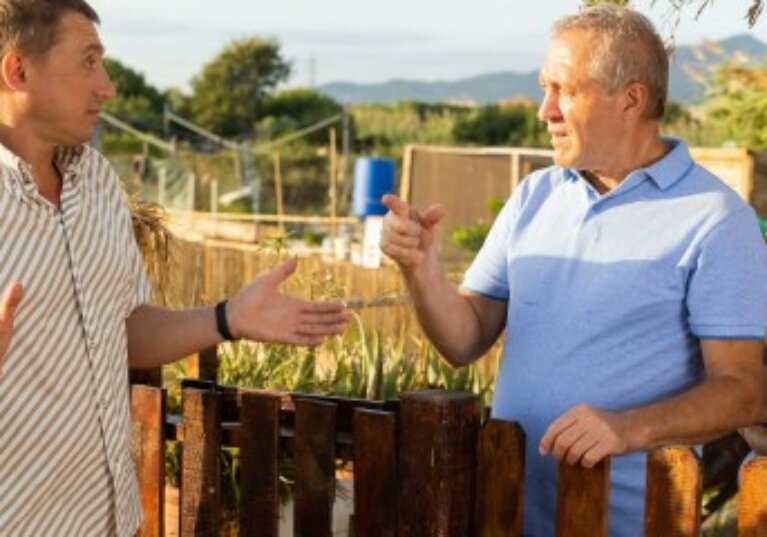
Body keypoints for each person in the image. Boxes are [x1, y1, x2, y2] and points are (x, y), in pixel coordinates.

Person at [380, 5, 767, 536]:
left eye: (565, 90)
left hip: (630, 524)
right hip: (504, 513)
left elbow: (743, 389)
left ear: (630, 99)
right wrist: (420, 269)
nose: (545, 110)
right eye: (545, 88)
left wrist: (626, 429)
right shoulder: (534, 195)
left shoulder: (718, 219)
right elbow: (464, 338)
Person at [0, 1, 348, 535]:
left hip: (105, 521)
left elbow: (124, 330)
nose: (107, 86)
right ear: (17, 70)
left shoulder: (95, 182)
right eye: (88, 62)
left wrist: (228, 317)